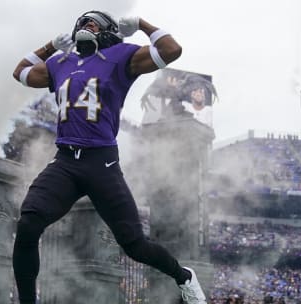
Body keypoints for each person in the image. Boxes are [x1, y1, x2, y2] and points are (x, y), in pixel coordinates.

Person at [12, 10, 207, 304]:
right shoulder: (60, 62)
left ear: (108, 31)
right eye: (83, 21)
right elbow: (21, 72)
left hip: (101, 162)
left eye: (94, 22)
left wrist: (142, 24)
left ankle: (184, 276)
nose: (86, 26)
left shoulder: (121, 56)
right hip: (65, 160)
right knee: (28, 224)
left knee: (135, 245)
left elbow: (171, 50)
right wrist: (50, 45)